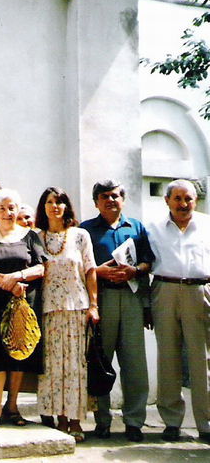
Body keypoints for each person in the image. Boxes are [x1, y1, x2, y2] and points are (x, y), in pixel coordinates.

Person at [80, 179, 153, 442]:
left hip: (132, 298)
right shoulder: (86, 230)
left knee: (134, 364)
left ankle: (134, 421)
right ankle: (102, 421)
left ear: (123, 199)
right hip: (103, 300)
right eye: (104, 196)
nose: (110, 200)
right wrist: (99, 271)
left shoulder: (136, 227)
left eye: (115, 196)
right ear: (96, 202)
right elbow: (79, 266)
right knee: (101, 362)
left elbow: (148, 261)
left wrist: (135, 270)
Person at [147, 179, 210, 443]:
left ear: (195, 201)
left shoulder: (207, 225)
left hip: (199, 292)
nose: (183, 204)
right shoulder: (152, 229)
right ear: (167, 201)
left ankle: (206, 424)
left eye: (188, 199)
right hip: (165, 290)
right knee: (168, 357)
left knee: (202, 359)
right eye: (178, 199)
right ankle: (172, 422)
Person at [35, 187, 99, 442]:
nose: (55, 206)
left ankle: (74, 420)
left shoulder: (80, 235)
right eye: (50, 202)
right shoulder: (36, 237)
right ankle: (57, 418)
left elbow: (91, 270)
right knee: (52, 367)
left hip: (76, 307)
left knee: (75, 366)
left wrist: (93, 305)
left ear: (66, 206)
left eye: (60, 201)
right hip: (48, 310)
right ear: (44, 207)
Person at [0, 189, 45, 431]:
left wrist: (17, 278)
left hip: (24, 302)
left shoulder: (30, 236)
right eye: (3, 208)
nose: (8, 212)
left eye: (12, 208)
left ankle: (13, 406)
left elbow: (41, 268)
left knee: (19, 352)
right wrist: (4, 282)